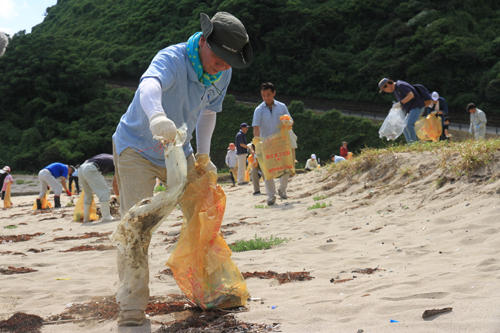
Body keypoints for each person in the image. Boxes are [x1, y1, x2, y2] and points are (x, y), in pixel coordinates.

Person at [111, 12, 252, 326]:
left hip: (180, 149)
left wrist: (203, 155)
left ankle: (212, 291)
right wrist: (157, 117)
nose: (223, 65)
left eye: (230, 61)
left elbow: (208, 112)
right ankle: (132, 307)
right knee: (137, 226)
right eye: (218, 57)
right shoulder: (172, 59)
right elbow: (149, 85)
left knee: (202, 215)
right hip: (137, 146)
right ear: (203, 41)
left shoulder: (223, 71)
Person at [252, 82, 293, 206]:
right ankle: (271, 196)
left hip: (281, 142)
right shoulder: (258, 110)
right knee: (266, 170)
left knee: (285, 167)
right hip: (266, 143)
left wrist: (288, 122)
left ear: (274, 93)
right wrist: (256, 142)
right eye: (263, 95)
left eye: (268, 95)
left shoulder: (282, 107)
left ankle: (282, 189)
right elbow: (256, 127)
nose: (266, 98)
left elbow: (290, 121)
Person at [379, 78, 427, 143]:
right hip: (411, 109)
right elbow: (404, 101)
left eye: (384, 89)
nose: (386, 91)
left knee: (409, 124)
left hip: (417, 106)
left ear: (387, 84)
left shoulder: (400, 85)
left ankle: (414, 144)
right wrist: (397, 107)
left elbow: (411, 95)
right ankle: (410, 144)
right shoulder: (395, 91)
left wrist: (400, 103)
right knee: (404, 126)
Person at [78, 154, 118, 222]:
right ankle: (106, 217)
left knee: (88, 194)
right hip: (90, 168)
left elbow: (87, 160)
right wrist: (119, 198)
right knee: (105, 191)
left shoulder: (106, 156)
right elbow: (115, 184)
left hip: (81, 168)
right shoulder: (118, 162)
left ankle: (86, 218)